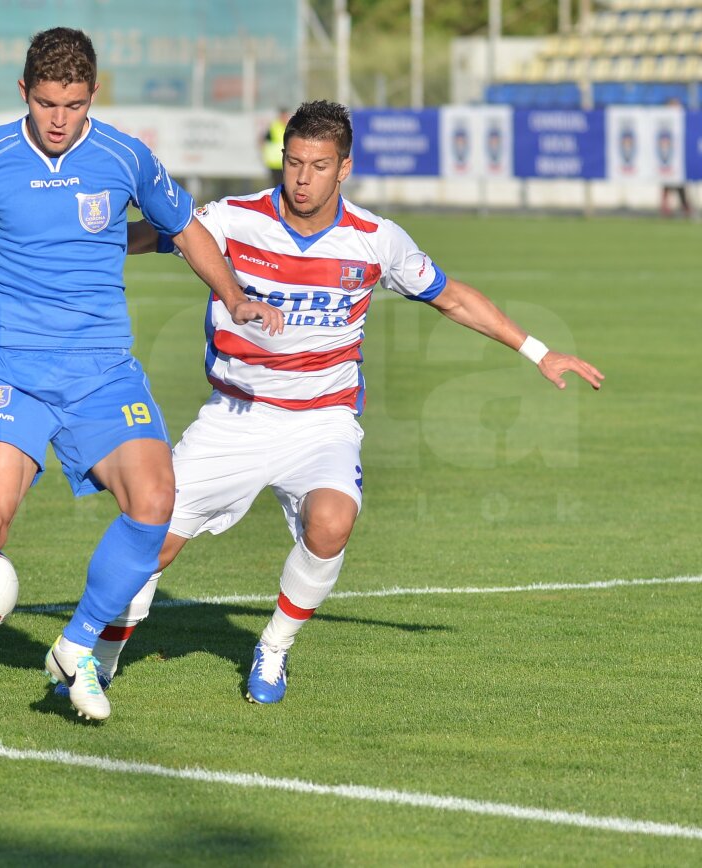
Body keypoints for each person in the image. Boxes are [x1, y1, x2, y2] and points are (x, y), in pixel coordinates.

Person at [92, 100, 605, 704]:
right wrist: (77, 240)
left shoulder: (376, 240)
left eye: (318, 165)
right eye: (293, 162)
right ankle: (97, 659)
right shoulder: (234, 218)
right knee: (152, 545)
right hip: (235, 417)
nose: (302, 178)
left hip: (323, 423)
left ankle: (275, 649)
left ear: (345, 168)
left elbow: (452, 298)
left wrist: (537, 350)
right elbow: (159, 234)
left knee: (332, 523)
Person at [0, 27, 282, 738]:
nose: (59, 118)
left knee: (156, 500)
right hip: (9, 371)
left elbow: (184, 227)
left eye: (74, 104)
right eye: (47, 102)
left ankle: (75, 645)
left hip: (104, 372)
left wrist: (234, 297)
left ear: (93, 97)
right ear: (24, 93)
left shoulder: (124, 156)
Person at [262, 107, 289, 189]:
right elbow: (264, 140)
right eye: (283, 116)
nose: (285, 118)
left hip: (285, 160)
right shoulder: (274, 126)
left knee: (286, 184)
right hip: (274, 161)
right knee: (276, 185)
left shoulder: (289, 126)